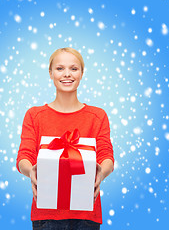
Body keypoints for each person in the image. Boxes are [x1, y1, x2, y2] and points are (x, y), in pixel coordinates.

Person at [16, 47, 114, 230]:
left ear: (82, 73)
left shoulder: (98, 116)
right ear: (50, 73)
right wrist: (31, 171)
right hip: (46, 214)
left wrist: (102, 172)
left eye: (74, 68)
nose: (67, 74)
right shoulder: (35, 115)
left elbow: (106, 154)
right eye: (60, 68)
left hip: (87, 214)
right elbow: (24, 155)